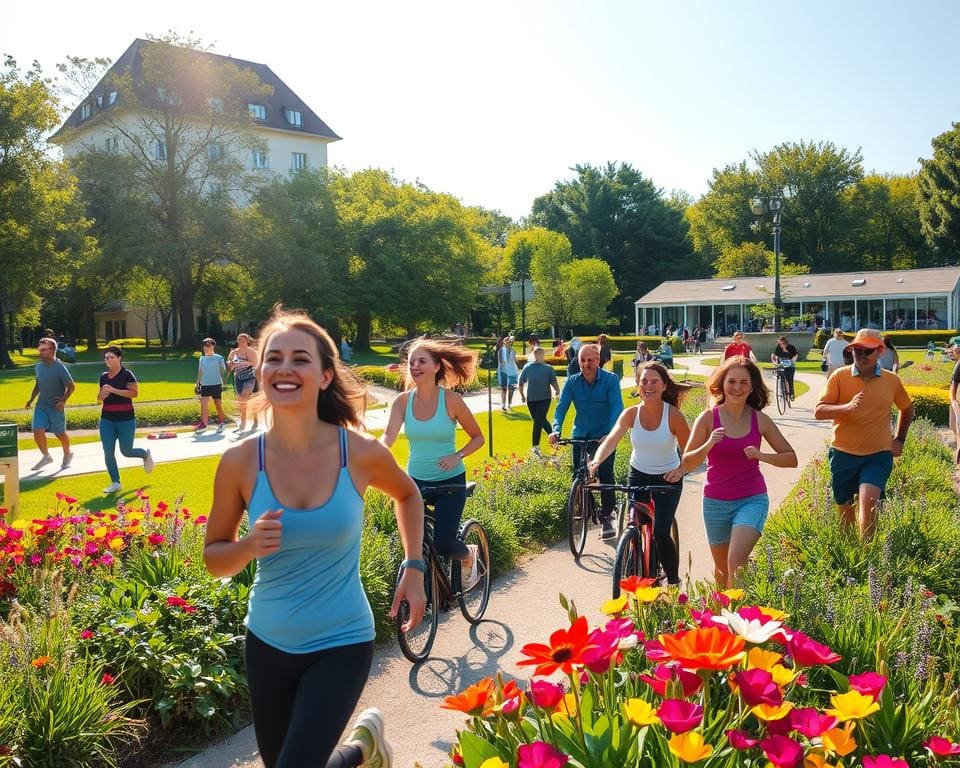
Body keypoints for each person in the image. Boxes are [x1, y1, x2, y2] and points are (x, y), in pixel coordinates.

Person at [203, 307, 425, 768]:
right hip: (267, 641)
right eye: (274, 358)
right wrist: (247, 546)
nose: (285, 368)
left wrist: (414, 566)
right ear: (260, 372)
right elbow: (215, 557)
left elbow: (408, 494)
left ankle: (361, 748)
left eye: (300, 359)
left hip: (342, 639)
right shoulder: (241, 462)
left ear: (325, 376)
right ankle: (365, 749)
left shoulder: (359, 453)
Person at [679, 356, 797, 587]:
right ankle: (722, 620)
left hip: (751, 499)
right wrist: (709, 444)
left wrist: (762, 456)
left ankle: (742, 618)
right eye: (731, 381)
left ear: (752, 387)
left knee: (736, 562)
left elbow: (790, 458)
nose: (737, 387)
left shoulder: (759, 419)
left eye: (744, 383)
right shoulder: (707, 418)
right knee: (722, 571)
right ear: (722, 384)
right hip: (715, 502)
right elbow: (688, 463)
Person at [381, 338, 485, 587]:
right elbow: (388, 436)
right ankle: (428, 592)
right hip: (415, 481)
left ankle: (469, 554)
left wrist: (457, 455)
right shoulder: (403, 401)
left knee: (445, 543)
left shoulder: (450, 400)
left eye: (422, 361)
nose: (415, 366)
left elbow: (478, 437)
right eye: (411, 362)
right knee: (413, 545)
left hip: (450, 482)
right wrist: (369, 452)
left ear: (436, 366)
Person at [589, 362, 690, 585]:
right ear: (637, 385)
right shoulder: (631, 414)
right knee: (635, 522)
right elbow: (612, 440)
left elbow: (691, 451)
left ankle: (674, 583)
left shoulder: (673, 416)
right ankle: (636, 560)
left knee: (661, 533)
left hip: (668, 477)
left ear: (664, 386)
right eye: (644, 381)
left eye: (654, 381)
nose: (649, 386)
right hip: (638, 474)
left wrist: (681, 470)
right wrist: (596, 461)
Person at [814, 329, 914, 540]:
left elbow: (907, 408)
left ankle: (870, 558)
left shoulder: (891, 380)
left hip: (877, 455)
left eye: (867, 351)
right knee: (846, 519)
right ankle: (853, 561)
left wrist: (899, 440)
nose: (861, 356)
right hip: (843, 454)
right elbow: (819, 411)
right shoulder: (839, 377)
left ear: (880, 351)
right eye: (857, 350)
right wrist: (846, 408)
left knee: (868, 502)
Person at [549, 344, 624, 539]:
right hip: (581, 434)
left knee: (606, 472)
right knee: (578, 475)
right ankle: (588, 509)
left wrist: (611, 434)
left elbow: (617, 408)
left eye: (590, 360)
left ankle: (608, 515)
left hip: (604, 435)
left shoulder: (610, 380)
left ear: (598, 361)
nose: (585, 364)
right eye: (582, 360)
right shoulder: (572, 382)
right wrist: (555, 429)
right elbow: (561, 407)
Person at [97, 346, 154, 494]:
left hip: (126, 419)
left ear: (119, 358)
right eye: (106, 358)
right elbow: (99, 398)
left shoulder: (127, 374)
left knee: (126, 451)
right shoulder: (103, 376)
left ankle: (145, 454)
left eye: (111, 357)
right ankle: (115, 482)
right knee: (108, 451)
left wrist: (114, 390)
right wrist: (101, 396)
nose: (108, 360)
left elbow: (134, 393)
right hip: (106, 419)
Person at [25, 337, 76, 471]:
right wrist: (31, 400)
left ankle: (67, 453)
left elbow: (71, 386)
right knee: (37, 430)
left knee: (60, 434)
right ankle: (46, 456)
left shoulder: (59, 367)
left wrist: (63, 402)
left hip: (55, 407)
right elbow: (38, 385)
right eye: (39, 349)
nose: (40, 351)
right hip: (41, 405)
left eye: (43, 349)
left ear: (52, 350)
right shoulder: (38, 367)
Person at [518, 347, 560, 456]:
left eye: (540, 355)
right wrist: (522, 395)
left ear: (543, 355)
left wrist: (557, 391)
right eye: (537, 355)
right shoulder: (528, 367)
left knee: (538, 422)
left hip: (545, 398)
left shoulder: (548, 368)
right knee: (540, 420)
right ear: (534, 355)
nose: (539, 357)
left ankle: (535, 447)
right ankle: (554, 437)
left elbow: (553, 381)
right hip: (531, 399)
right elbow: (521, 382)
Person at [228, 333, 260, 433]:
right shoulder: (233, 352)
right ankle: (245, 421)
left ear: (247, 341)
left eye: (243, 341)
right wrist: (231, 364)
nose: (241, 342)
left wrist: (245, 363)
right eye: (239, 340)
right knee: (241, 400)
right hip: (238, 377)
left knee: (245, 397)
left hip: (249, 377)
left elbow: (255, 364)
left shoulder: (251, 351)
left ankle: (248, 422)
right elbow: (230, 366)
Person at [196, 338, 227, 432]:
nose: (207, 347)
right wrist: (197, 383)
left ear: (213, 346)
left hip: (216, 384)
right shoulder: (202, 358)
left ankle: (221, 422)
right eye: (205, 345)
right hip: (205, 384)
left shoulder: (219, 358)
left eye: (209, 345)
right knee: (203, 404)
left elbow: (223, 371)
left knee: (218, 405)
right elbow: (200, 371)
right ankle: (204, 424)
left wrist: (224, 383)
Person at [770, 335, 799, 400]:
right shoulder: (778, 348)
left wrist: (792, 361)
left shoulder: (791, 347)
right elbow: (774, 356)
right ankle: (782, 392)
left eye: (783, 343)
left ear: (786, 342)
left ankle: (791, 394)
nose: (781, 345)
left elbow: (796, 355)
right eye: (780, 343)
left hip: (790, 366)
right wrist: (775, 363)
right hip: (781, 366)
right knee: (781, 379)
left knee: (790, 380)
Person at [496, 335, 519, 411]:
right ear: (503, 342)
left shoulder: (513, 351)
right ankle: (503, 404)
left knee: (511, 389)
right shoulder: (500, 351)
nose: (507, 343)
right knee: (504, 388)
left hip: (512, 372)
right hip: (504, 372)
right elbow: (500, 362)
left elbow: (515, 361)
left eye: (509, 342)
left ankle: (509, 404)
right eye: (506, 341)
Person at [950, 345, 960, 463]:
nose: (952, 351)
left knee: (956, 425)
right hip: (957, 400)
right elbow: (954, 383)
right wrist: (953, 400)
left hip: (957, 400)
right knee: (955, 425)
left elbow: (954, 383)